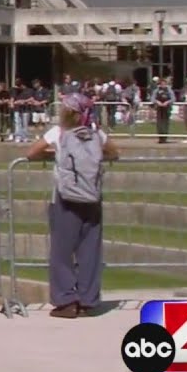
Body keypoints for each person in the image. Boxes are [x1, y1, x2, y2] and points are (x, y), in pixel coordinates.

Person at [26, 93, 120, 319]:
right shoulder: (97, 134)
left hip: (65, 198)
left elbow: (31, 153)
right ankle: (89, 300)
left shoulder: (58, 133)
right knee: (90, 250)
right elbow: (114, 153)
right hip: (91, 197)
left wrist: (55, 154)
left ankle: (66, 300)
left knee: (62, 251)